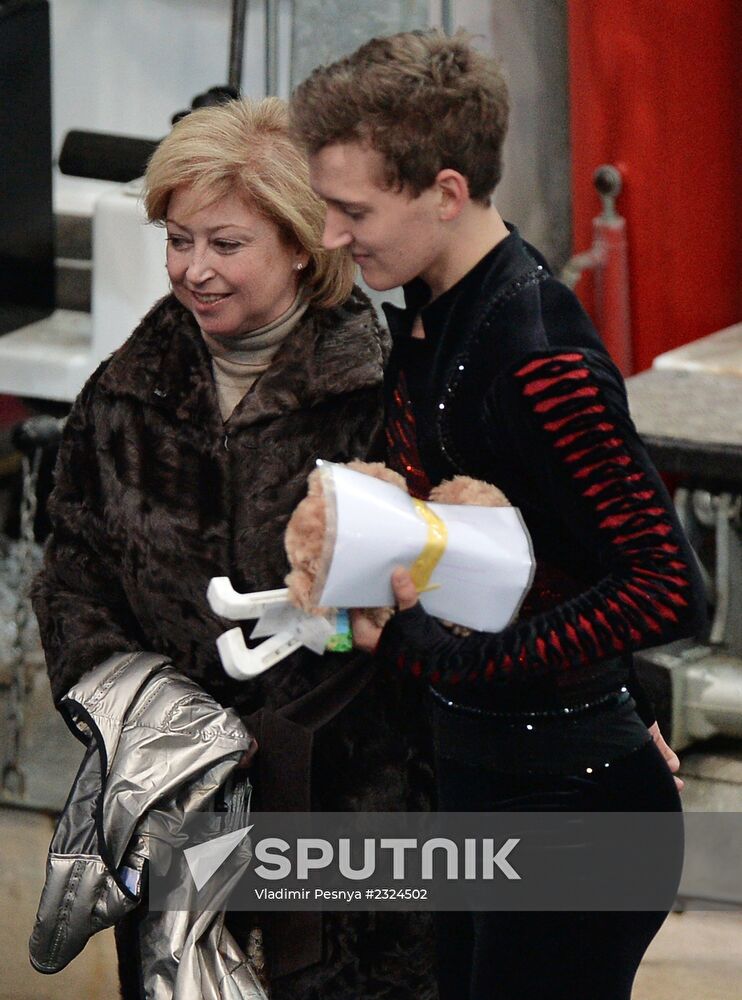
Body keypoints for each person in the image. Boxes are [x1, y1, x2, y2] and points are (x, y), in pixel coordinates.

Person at [291, 30, 707, 1000]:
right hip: (485, 775)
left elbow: (666, 583)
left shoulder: (535, 348)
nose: (335, 236)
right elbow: (532, 552)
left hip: (571, 804)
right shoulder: (432, 315)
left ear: (444, 190)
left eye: (355, 211)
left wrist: (458, 659)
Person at [32, 97, 436, 1000]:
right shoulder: (124, 396)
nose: (194, 271)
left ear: (301, 242)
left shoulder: (384, 397)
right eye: (179, 241)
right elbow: (73, 570)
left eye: (226, 244)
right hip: (172, 810)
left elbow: (437, 594)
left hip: (352, 822)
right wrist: (144, 714)